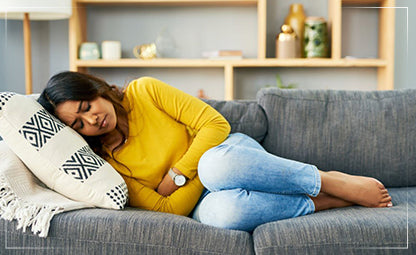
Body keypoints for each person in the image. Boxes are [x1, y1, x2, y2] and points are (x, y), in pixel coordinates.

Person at [38, 71, 393, 232]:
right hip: (203, 201)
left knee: (215, 167)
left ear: (95, 88)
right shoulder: (106, 163)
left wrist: (177, 174)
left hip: (232, 158)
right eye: (79, 125)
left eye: (86, 105)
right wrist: (191, 179)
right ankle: (325, 200)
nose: (92, 119)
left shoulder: (144, 92)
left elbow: (216, 127)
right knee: (227, 215)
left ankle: (325, 179)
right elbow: (169, 209)